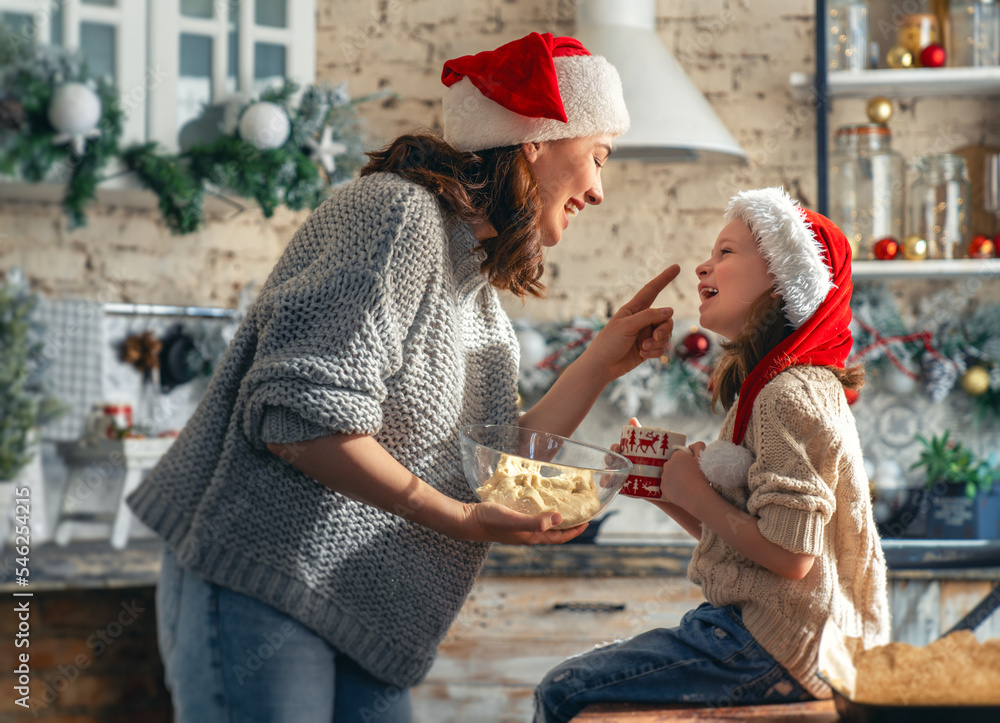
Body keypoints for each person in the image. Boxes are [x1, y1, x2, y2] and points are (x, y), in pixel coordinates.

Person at [127, 31, 681, 723]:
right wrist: (460, 520)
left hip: (365, 619)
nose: (598, 190)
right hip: (266, 579)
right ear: (536, 139)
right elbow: (304, 423)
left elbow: (492, 460)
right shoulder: (396, 216)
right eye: (598, 157)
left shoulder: (474, 288)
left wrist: (602, 360)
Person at [534, 188, 891, 722]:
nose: (704, 264)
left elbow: (793, 559)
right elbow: (751, 549)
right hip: (781, 636)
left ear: (783, 275)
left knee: (565, 690)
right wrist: (666, 491)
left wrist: (695, 491)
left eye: (726, 252)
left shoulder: (788, 396)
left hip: (779, 644)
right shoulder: (777, 388)